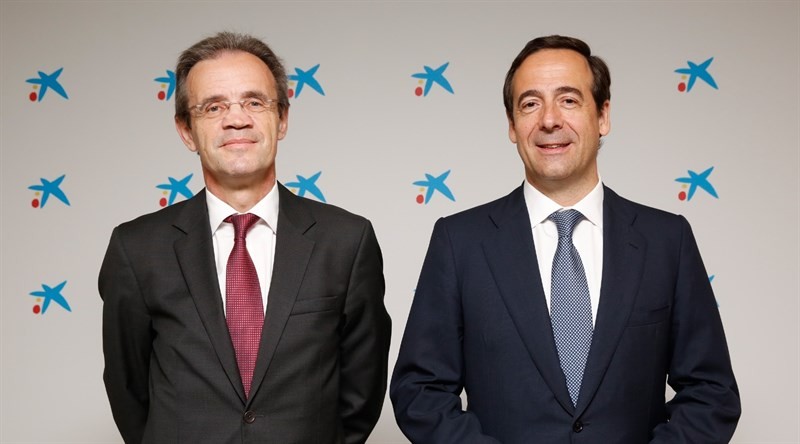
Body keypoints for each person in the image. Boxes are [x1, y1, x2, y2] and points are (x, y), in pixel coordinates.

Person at [391, 35, 740, 443]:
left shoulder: (666, 240)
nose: (549, 120)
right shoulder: (459, 242)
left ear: (603, 115)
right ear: (512, 125)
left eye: (569, 100)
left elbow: (711, 392)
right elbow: (420, 391)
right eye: (530, 104)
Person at [99, 31, 391, 444]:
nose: (237, 119)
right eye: (213, 106)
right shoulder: (136, 249)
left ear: (282, 119)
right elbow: (128, 391)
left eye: (254, 102)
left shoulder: (347, 241)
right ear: (186, 131)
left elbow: (362, 390)